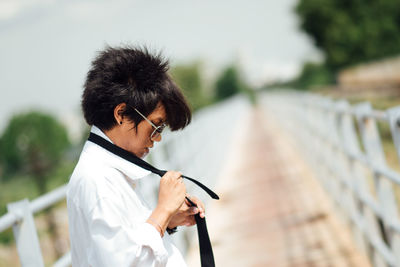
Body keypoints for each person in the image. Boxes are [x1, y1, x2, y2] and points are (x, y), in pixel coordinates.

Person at [66, 46, 205, 266]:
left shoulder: (108, 173)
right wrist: (163, 210)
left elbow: (127, 244)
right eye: (156, 127)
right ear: (121, 114)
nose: (157, 139)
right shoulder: (96, 181)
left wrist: (168, 221)